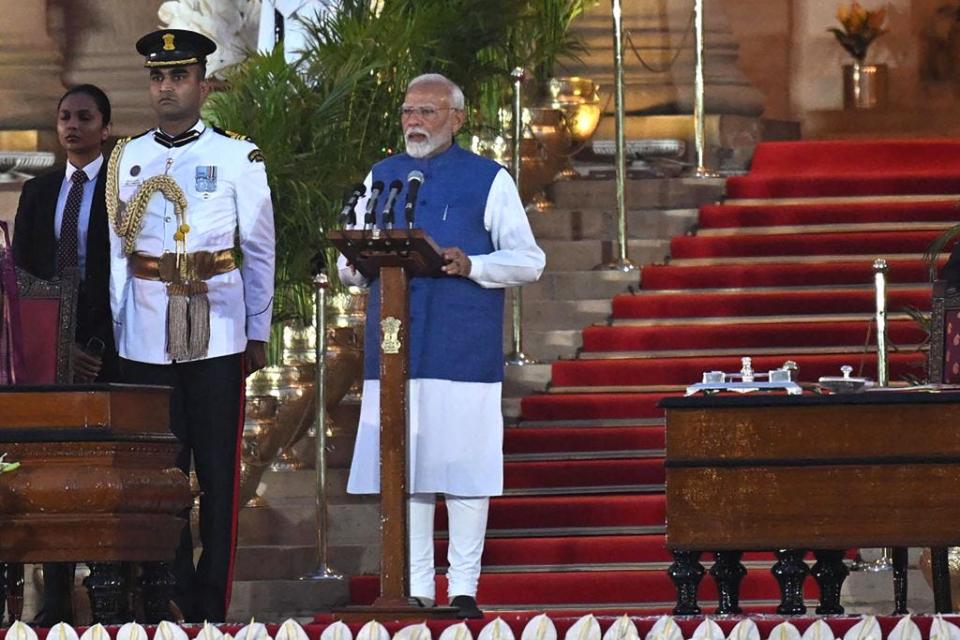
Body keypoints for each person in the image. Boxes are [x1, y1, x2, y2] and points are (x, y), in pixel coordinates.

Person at [338, 73, 545, 619]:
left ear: (457, 118)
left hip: (461, 347)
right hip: (396, 346)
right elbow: (348, 260)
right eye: (408, 111)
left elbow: (529, 259)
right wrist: (350, 265)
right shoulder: (381, 176)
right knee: (406, 469)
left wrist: (472, 263)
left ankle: (464, 588)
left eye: (427, 112)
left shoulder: (487, 179)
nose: (414, 122)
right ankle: (416, 589)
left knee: (464, 470)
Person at [106, 29, 275, 622]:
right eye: (158, 76)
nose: (167, 87)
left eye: (179, 76)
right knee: (161, 472)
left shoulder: (237, 156)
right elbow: (115, 252)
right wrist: (121, 329)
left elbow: (259, 249)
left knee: (218, 469)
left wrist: (258, 330)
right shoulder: (126, 157)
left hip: (218, 327)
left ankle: (214, 600)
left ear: (203, 84)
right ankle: (171, 594)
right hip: (146, 334)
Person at [12, 83, 119, 625]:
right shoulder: (38, 191)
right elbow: (25, 277)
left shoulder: (123, 188)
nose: (72, 126)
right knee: (53, 466)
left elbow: (118, 275)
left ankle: (109, 592)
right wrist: (57, 344)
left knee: (101, 466)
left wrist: (91, 344)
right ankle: (54, 595)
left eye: (83, 117)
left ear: (104, 125)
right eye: (64, 118)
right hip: (50, 353)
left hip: (111, 350)